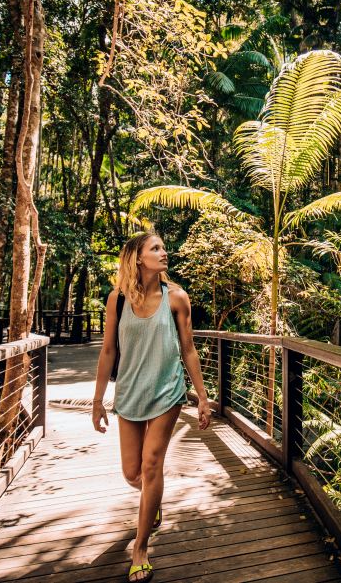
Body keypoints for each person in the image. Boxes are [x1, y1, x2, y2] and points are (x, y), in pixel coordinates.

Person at [91, 231, 211, 582]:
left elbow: (188, 349)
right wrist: (97, 401)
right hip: (129, 394)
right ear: (138, 258)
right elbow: (108, 351)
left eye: (163, 247)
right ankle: (152, 503)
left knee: (152, 462)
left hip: (166, 391)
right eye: (155, 248)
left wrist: (202, 397)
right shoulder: (117, 300)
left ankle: (140, 547)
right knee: (133, 473)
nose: (163, 252)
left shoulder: (176, 298)